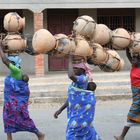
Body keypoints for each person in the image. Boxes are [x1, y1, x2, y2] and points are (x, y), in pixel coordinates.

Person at [0, 43, 45, 140]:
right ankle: (9, 138)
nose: (9, 64)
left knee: (23, 120)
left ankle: (39, 134)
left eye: (10, 63)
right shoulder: (14, 72)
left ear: (14, 64)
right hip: (9, 103)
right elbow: (6, 60)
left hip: (15, 104)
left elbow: (4, 60)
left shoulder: (17, 71)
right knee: (7, 119)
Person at [56, 55, 101, 140]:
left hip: (80, 114)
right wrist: (60, 109)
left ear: (82, 70)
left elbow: (70, 76)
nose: (73, 70)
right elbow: (71, 98)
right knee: (84, 133)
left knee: (72, 134)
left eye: (75, 68)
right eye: (73, 68)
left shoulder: (83, 79)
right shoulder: (75, 83)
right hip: (75, 113)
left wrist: (69, 59)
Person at [114, 48, 140, 140]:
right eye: (132, 59)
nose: (132, 60)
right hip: (135, 94)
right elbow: (128, 55)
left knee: (131, 115)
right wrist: (128, 45)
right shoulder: (134, 66)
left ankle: (122, 136)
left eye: (134, 59)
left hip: (139, 96)